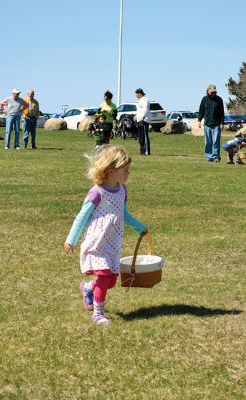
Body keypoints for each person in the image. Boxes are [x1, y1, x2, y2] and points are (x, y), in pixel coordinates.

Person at [64, 145, 147, 325]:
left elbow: (123, 214)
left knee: (110, 281)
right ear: (111, 171)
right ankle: (98, 313)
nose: (128, 174)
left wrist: (140, 227)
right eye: (125, 170)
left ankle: (87, 288)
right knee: (103, 279)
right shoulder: (96, 192)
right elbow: (82, 216)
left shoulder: (122, 190)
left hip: (113, 243)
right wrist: (71, 240)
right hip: (97, 243)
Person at [198, 84, 224, 162]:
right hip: (207, 124)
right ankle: (209, 157)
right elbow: (201, 110)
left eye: (214, 92)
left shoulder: (219, 100)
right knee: (208, 142)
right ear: (208, 92)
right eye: (211, 92)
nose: (213, 94)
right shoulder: (204, 99)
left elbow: (221, 113)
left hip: (216, 124)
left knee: (216, 141)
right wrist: (199, 120)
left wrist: (222, 123)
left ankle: (216, 156)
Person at [135, 88, 151, 155]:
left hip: (144, 120)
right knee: (141, 136)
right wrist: (135, 116)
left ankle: (146, 151)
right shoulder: (140, 100)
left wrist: (142, 118)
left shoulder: (145, 100)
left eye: (136, 94)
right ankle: (142, 151)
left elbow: (145, 110)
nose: (136, 96)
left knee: (144, 136)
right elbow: (139, 111)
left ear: (139, 93)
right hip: (140, 119)